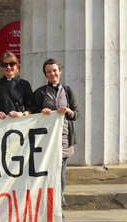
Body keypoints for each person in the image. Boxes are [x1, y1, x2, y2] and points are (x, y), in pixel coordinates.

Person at [32, 58, 79, 210]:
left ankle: (58, 204)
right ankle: (47, 204)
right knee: (47, 172)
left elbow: (76, 113)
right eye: (48, 71)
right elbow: (31, 112)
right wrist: (41, 112)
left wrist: (69, 111)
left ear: (59, 71)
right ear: (45, 74)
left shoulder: (67, 90)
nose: (52, 73)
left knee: (61, 173)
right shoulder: (39, 92)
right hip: (46, 140)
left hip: (64, 137)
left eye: (54, 70)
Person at [0, 52, 33, 119]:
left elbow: (31, 107)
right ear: (2, 66)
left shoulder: (24, 84)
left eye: (11, 64)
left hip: (18, 123)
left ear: (17, 65)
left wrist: (21, 114)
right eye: (5, 65)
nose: (8, 67)